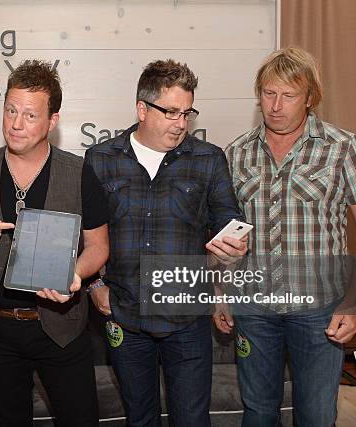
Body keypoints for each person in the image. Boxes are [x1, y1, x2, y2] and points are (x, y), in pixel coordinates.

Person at [220, 46, 356, 426]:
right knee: (258, 414)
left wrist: (353, 303)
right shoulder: (236, 153)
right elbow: (224, 233)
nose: (276, 105)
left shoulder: (342, 148)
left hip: (320, 313)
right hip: (253, 310)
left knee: (315, 416)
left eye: (289, 95)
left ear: (310, 98)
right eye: (268, 93)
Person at [0, 60, 109, 427]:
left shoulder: (79, 174)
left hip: (62, 329)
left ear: (52, 121)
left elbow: (98, 247)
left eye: (30, 116)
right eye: (10, 111)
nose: (16, 124)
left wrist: (74, 274)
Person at [84, 59, 247, 426]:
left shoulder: (208, 159)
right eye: (171, 112)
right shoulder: (101, 160)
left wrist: (233, 248)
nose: (181, 123)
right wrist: (94, 286)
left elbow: (227, 221)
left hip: (187, 319)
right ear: (142, 108)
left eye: (187, 113)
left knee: (192, 420)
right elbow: (83, 233)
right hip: (125, 317)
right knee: (140, 420)